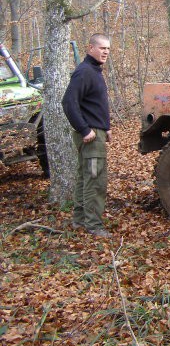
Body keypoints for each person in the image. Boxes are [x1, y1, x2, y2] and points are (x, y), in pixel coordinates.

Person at [62, 33, 112, 238]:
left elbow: (94, 104)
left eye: (108, 49)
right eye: (102, 48)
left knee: (85, 178)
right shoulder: (83, 72)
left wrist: (106, 127)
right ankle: (93, 225)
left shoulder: (94, 71)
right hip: (90, 137)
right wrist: (85, 129)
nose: (106, 52)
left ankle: (80, 220)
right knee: (95, 179)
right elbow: (68, 103)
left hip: (97, 132)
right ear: (90, 47)